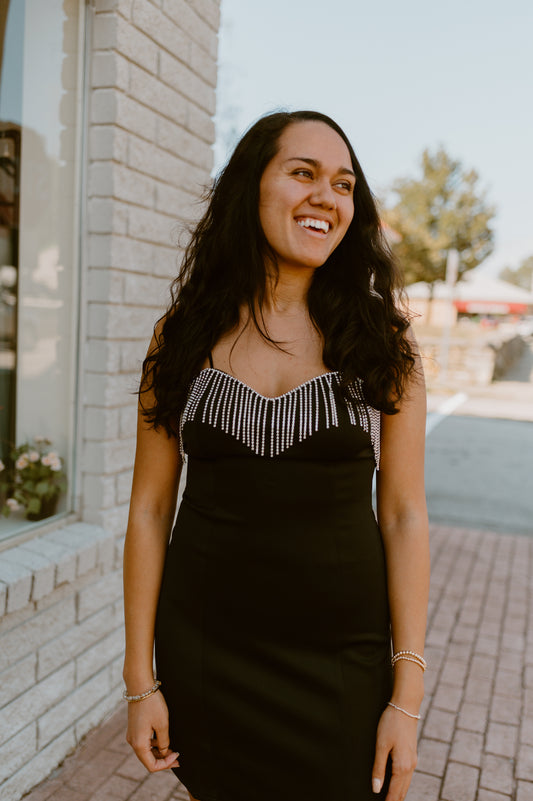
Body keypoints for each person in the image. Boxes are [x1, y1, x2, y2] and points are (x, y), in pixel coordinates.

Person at [122, 110, 430, 801]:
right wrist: (140, 679)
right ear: (249, 187)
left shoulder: (381, 341)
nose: (327, 195)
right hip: (205, 655)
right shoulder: (181, 334)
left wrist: (404, 693)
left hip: (340, 666)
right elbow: (148, 509)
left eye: (344, 184)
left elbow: (406, 514)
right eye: (303, 173)